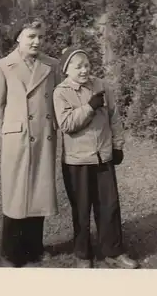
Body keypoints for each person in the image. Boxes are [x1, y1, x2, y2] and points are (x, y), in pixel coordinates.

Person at [53, 46, 138, 269]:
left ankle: (113, 251)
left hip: (103, 158)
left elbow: (114, 118)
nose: (84, 70)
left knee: (109, 206)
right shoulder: (61, 92)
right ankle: (83, 254)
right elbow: (66, 124)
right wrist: (89, 107)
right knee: (81, 209)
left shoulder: (102, 86)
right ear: (66, 69)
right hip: (77, 161)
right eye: (78, 66)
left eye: (87, 65)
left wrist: (117, 146)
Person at [0, 17, 61, 267]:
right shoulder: (3, 66)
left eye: (40, 37)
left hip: (43, 137)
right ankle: (11, 251)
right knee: (16, 193)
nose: (36, 41)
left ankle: (34, 248)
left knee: (39, 192)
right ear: (18, 37)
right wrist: (9, 132)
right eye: (31, 36)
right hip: (16, 139)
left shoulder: (52, 66)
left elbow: (59, 101)